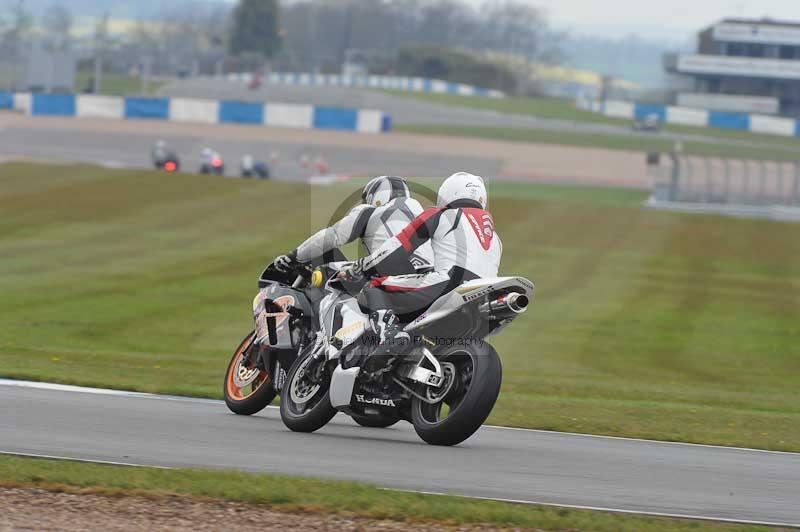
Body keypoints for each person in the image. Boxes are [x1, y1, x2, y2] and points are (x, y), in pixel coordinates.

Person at [345, 172, 502, 347]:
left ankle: (389, 337)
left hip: (449, 283)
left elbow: (398, 247)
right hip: (483, 296)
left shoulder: (438, 214)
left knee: (374, 288)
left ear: (448, 193)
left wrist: (364, 266)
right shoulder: (496, 238)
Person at [272, 176, 433, 275]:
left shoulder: (369, 211)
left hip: (394, 278)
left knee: (334, 287)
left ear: (377, 196)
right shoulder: (423, 214)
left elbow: (331, 237)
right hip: (432, 277)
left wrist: (293, 257)